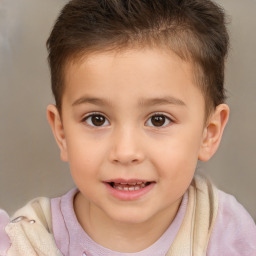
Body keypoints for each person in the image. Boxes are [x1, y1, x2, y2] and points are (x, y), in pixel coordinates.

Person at [0, 0, 256, 255]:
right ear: (62, 132)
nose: (125, 152)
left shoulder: (228, 234)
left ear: (208, 133)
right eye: (97, 119)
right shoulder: (22, 243)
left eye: (158, 120)